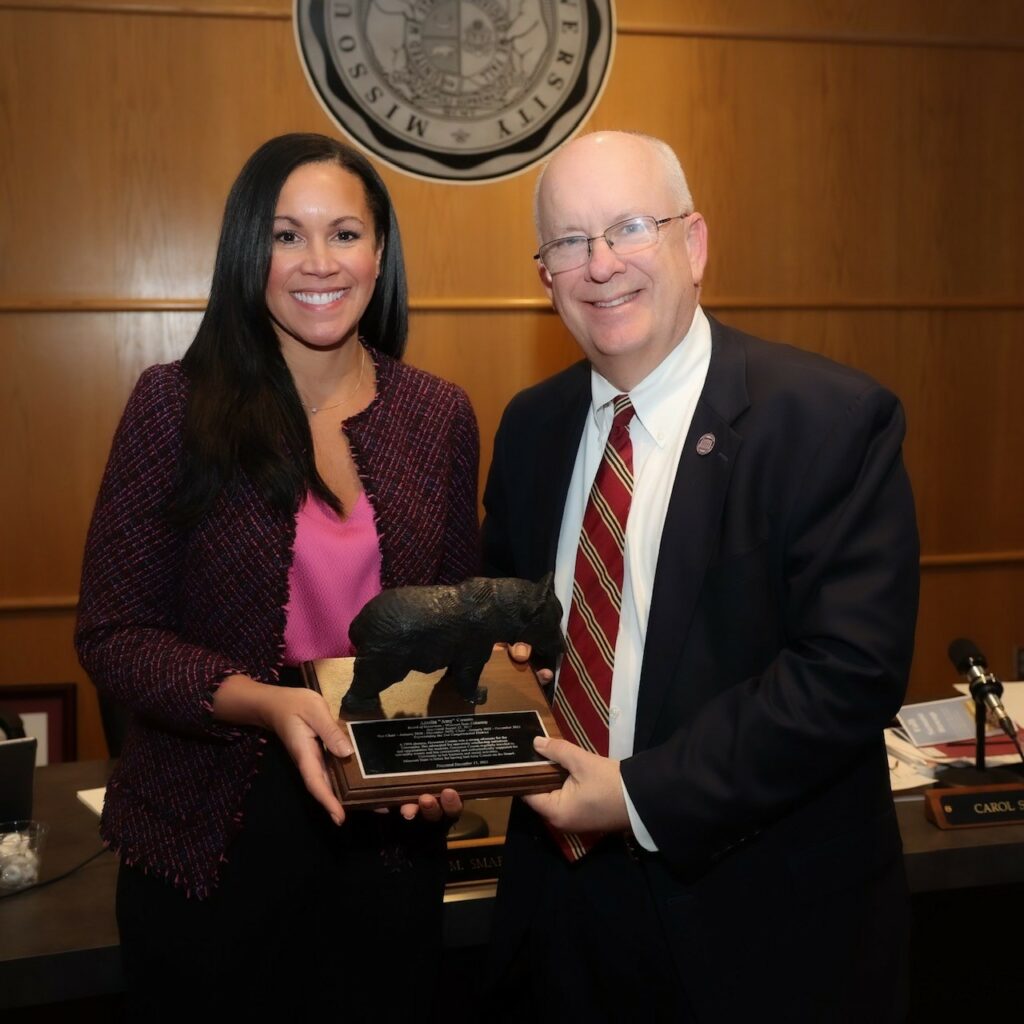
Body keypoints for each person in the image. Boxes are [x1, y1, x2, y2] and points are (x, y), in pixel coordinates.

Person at [481, 131, 919, 1022]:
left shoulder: (830, 422)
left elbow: (848, 675)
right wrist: (446, 755)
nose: (601, 265)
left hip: (761, 934)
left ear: (695, 244)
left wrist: (640, 796)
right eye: (569, 242)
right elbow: (505, 642)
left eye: (630, 228)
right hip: (559, 923)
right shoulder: (531, 427)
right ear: (545, 276)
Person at [75, 133, 479, 1019]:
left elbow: (453, 631)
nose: (317, 262)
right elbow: (112, 635)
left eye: (344, 233)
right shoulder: (171, 405)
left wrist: (453, 765)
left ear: (380, 253)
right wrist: (265, 701)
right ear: (246, 251)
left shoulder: (439, 414)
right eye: (286, 234)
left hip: (387, 841)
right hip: (207, 839)